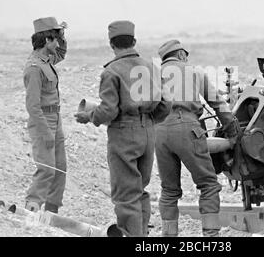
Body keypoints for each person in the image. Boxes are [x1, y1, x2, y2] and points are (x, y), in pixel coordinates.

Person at [74, 20, 170, 237]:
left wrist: (89, 116)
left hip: (123, 133)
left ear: (111, 44)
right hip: (148, 131)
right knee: (140, 190)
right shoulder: (151, 67)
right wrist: (148, 120)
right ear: (134, 41)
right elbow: (166, 105)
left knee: (126, 194)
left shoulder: (112, 71)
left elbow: (108, 111)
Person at [155, 39, 238, 237]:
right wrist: (232, 133)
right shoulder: (194, 71)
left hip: (160, 132)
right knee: (208, 184)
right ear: (182, 55)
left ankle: (168, 237)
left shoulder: (152, 76)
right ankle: (211, 237)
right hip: (187, 128)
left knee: (168, 190)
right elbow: (218, 104)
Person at [23, 17, 68, 214]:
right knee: (47, 169)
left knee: (60, 168)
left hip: (55, 121)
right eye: (55, 40)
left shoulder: (46, 60)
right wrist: (45, 132)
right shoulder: (34, 68)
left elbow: (62, 53)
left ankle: (51, 213)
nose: (57, 44)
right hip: (43, 122)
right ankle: (31, 210)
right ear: (46, 40)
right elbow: (33, 107)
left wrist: (62, 34)